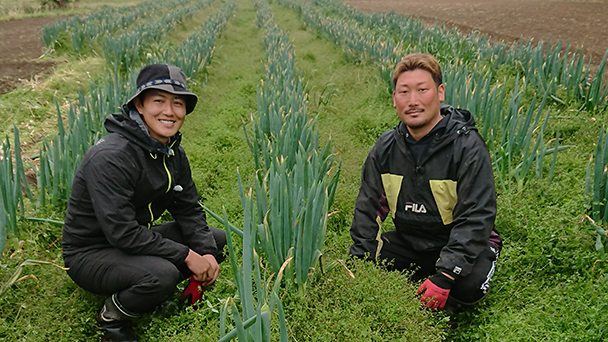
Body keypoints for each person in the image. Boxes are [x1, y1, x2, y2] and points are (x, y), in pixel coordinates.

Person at [62, 64, 226, 342]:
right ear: (139, 105)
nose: (169, 111)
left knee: (216, 239)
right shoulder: (111, 157)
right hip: (90, 253)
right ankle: (112, 318)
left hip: (135, 240)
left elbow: (188, 208)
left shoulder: (172, 151)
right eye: (158, 101)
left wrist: (206, 253)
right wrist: (187, 255)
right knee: (161, 275)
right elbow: (122, 233)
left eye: (178, 103)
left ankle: (167, 294)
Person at [349, 53, 502, 312]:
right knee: (367, 257)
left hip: (461, 240)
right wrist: (357, 271)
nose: (413, 101)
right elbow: (368, 208)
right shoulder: (385, 148)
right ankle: (426, 276)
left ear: (440, 92)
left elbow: (477, 216)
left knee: (467, 288)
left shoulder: (467, 147)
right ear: (394, 100)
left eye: (422, 90)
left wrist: (445, 276)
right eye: (404, 92)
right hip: (411, 240)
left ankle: (445, 281)